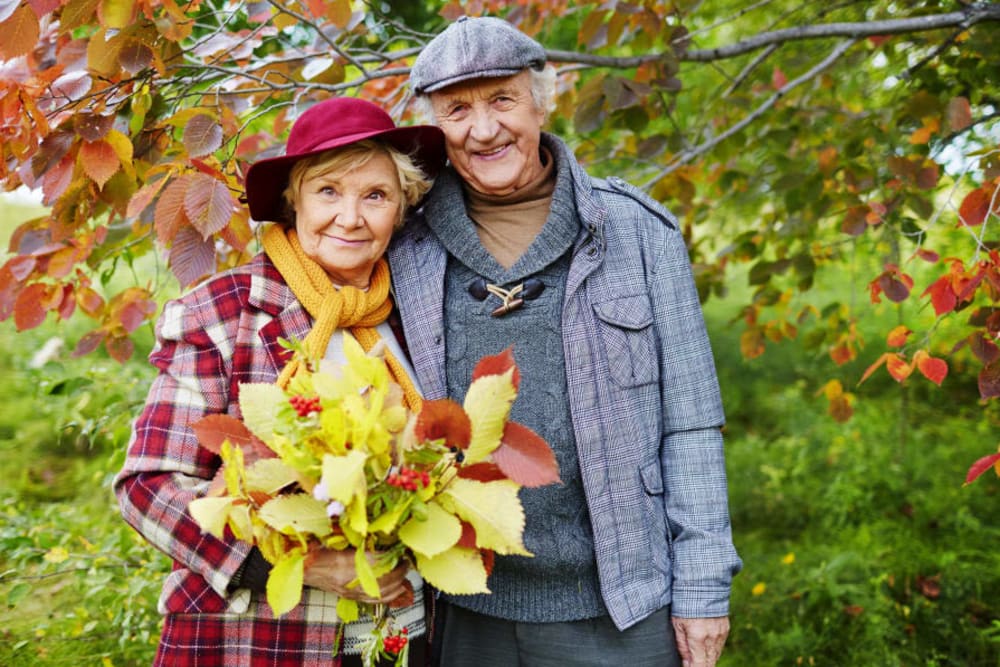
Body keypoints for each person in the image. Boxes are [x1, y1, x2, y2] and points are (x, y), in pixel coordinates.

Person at [387, 16, 742, 667]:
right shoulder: (402, 247)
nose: (484, 128)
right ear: (433, 123)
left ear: (540, 99)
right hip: (461, 606)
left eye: (502, 99)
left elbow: (691, 424)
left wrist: (702, 586)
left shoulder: (638, 234)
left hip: (622, 606)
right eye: (457, 109)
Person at [114, 96, 446, 666]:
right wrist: (307, 564)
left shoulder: (417, 314)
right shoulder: (223, 312)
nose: (351, 217)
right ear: (294, 202)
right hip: (263, 636)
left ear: (402, 207)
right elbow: (147, 489)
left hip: (402, 631)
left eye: (375, 195)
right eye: (328, 192)